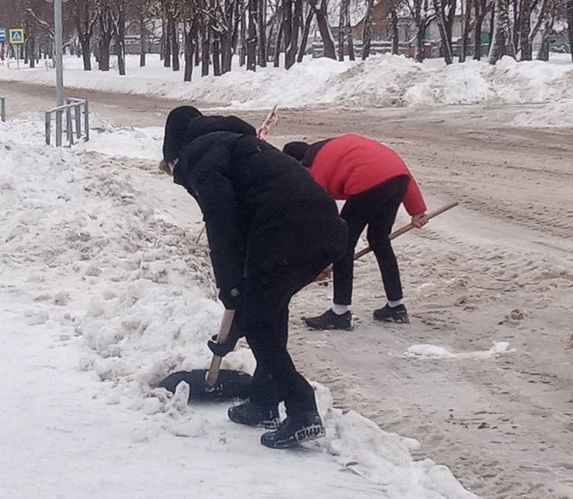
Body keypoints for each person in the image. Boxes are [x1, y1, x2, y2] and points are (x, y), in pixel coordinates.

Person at [160, 106, 348, 449]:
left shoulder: (199, 155)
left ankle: (302, 406)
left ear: (174, 152)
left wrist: (229, 286)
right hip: (323, 227)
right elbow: (247, 223)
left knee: (262, 320)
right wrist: (236, 320)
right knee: (268, 309)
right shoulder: (240, 145)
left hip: (287, 230)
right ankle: (264, 399)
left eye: (173, 170)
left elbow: (222, 222)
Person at [282, 134, 428, 330]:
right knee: (379, 239)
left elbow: (320, 213)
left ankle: (340, 313)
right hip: (397, 178)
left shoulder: (312, 167)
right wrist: (417, 210)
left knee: (343, 243)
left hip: (368, 180)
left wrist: (322, 259)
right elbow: (398, 170)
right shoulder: (334, 149)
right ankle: (396, 306)